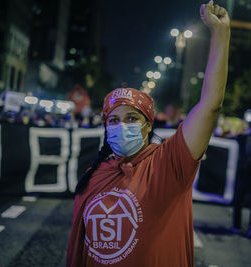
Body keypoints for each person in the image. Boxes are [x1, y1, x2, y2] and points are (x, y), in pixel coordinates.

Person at [66, 1, 230, 266]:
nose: (121, 126)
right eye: (114, 120)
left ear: (147, 125)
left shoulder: (170, 163)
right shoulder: (93, 176)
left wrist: (221, 34)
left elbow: (210, 106)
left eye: (131, 118)